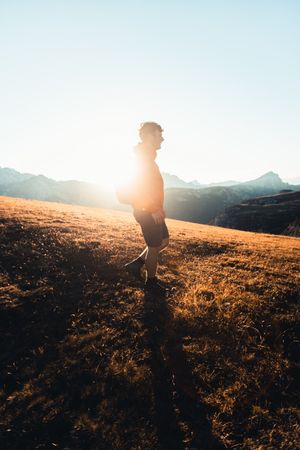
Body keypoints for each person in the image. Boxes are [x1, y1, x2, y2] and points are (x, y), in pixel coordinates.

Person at [124, 122, 169, 293]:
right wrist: (152, 208)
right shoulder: (142, 158)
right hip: (147, 211)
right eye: (159, 135)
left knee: (164, 241)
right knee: (153, 246)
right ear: (149, 136)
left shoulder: (148, 157)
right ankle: (151, 283)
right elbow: (133, 189)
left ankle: (135, 265)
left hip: (153, 210)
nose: (162, 139)